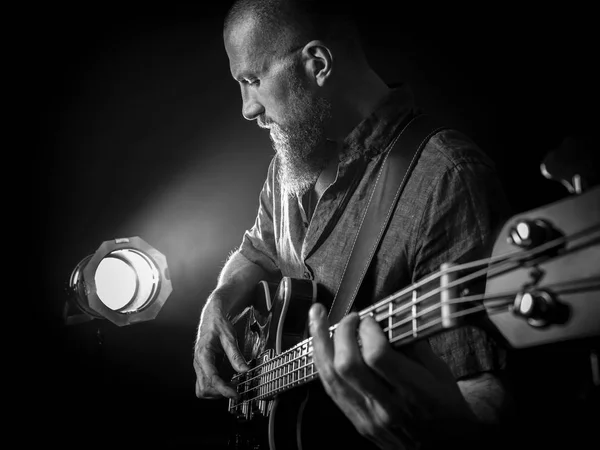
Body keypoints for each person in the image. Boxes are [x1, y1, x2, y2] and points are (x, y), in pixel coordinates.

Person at [194, 0, 513, 448]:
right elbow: (257, 251)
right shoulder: (289, 165)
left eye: (252, 80)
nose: (247, 108)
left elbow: (488, 396)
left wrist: (431, 431)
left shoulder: (446, 176)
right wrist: (219, 300)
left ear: (317, 64)